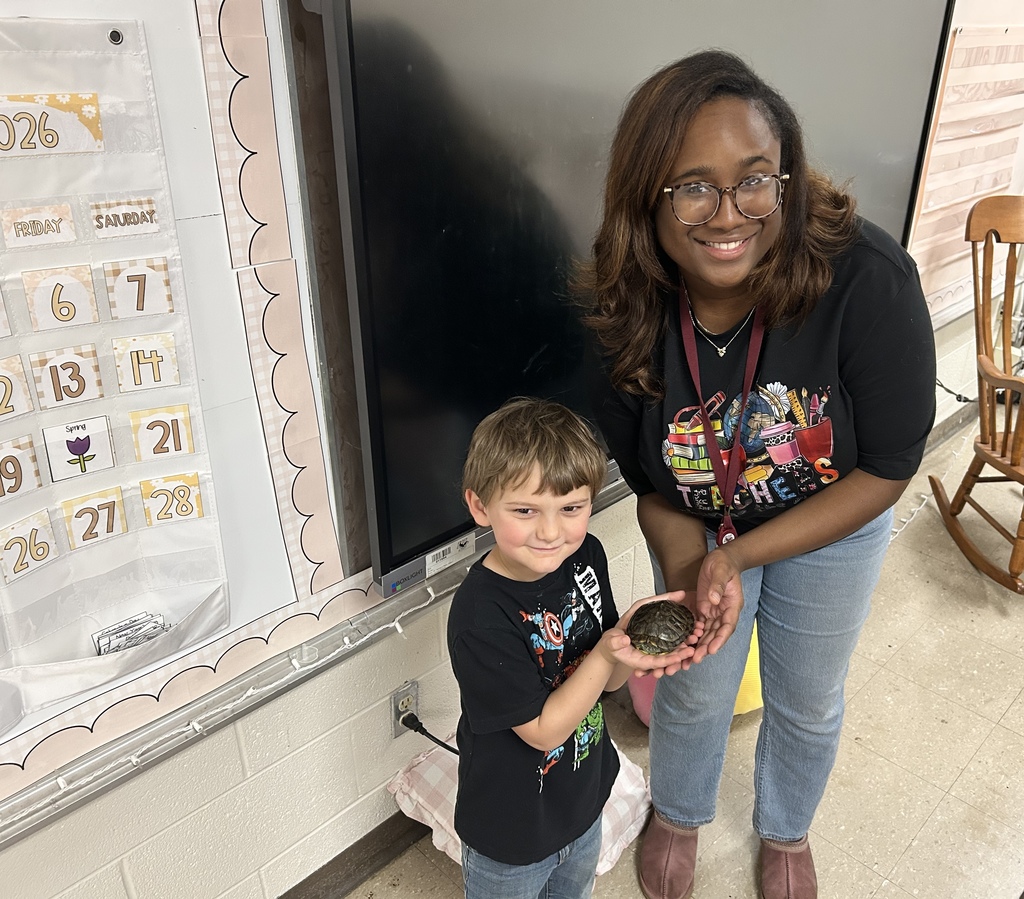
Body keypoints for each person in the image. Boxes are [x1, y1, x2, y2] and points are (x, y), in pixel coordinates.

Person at [579, 51, 936, 899]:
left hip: (833, 521)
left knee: (808, 696)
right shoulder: (624, 309)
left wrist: (737, 556)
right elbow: (652, 484)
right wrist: (690, 566)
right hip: (700, 524)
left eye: (753, 181)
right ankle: (678, 812)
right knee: (694, 686)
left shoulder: (868, 281)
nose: (728, 214)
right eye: (693, 188)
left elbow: (889, 464)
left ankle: (786, 827)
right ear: (648, 197)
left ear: (786, 179)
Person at [447, 397, 700, 899]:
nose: (550, 532)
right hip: (510, 834)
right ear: (480, 507)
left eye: (570, 508)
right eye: (525, 510)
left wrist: (626, 645)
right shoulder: (480, 617)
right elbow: (543, 732)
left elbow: (607, 684)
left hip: (583, 801)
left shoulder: (586, 555)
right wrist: (608, 653)